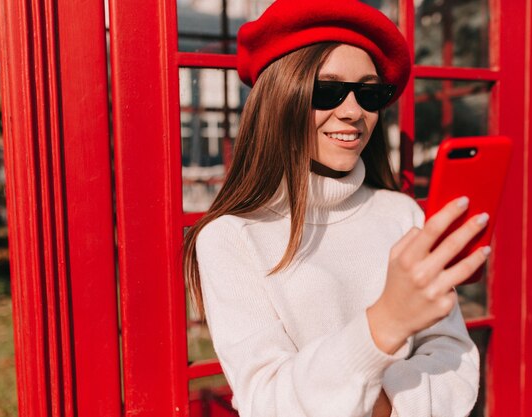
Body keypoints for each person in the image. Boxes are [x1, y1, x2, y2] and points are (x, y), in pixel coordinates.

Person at [182, 1, 484, 415]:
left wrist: (387, 406)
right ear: (280, 99)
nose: (352, 112)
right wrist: (385, 323)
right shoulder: (232, 237)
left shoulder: (403, 214)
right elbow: (267, 401)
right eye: (327, 91)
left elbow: (453, 354)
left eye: (369, 93)